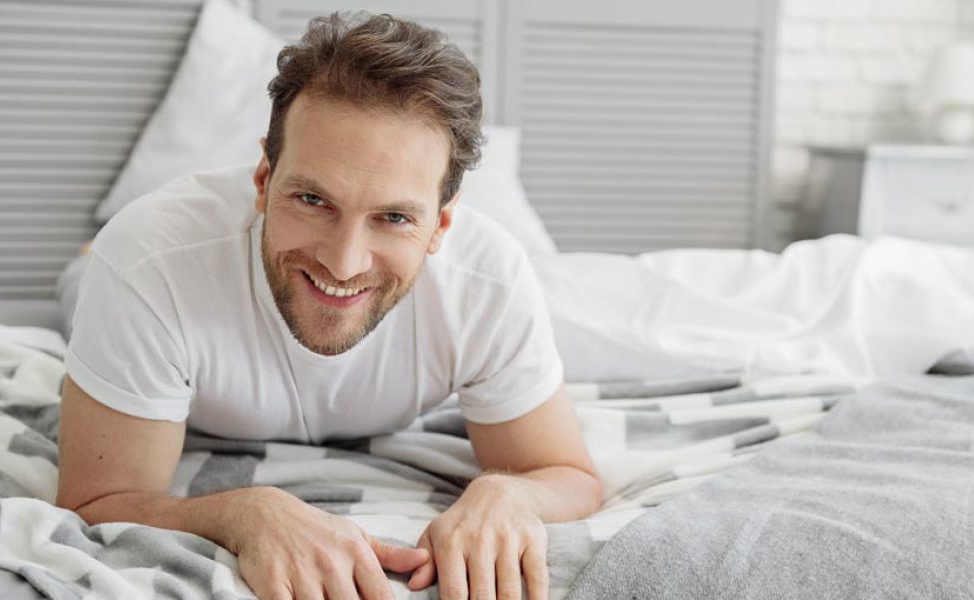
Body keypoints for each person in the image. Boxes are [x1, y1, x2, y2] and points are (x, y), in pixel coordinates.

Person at [54, 12, 601, 600]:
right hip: (142, 269)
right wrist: (247, 513)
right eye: (313, 199)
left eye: (393, 217)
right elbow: (94, 503)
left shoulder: (487, 282)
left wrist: (507, 494)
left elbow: (569, 475)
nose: (344, 263)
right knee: (86, 279)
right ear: (263, 178)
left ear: (441, 223)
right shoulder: (146, 263)